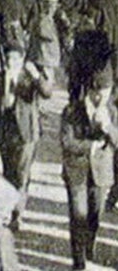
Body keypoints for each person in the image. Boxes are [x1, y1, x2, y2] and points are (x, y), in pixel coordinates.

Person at [61, 55, 118, 270]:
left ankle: (89, 242)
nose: (101, 97)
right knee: (79, 215)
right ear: (90, 91)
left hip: (101, 174)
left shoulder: (112, 113)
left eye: (106, 92)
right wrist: (91, 146)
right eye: (97, 92)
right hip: (77, 172)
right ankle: (79, 261)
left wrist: (108, 128)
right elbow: (67, 142)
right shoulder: (72, 111)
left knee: (95, 214)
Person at [0, 46, 51, 231]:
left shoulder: (29, 78)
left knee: (22, 175)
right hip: (5, 132)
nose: (11, 63)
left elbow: (47, 92)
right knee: (8, 173)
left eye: (15, 60)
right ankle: (8, 209)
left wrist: (36, 76)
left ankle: (17, 215)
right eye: (9, 59)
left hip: (26, 133)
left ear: (21, 60)